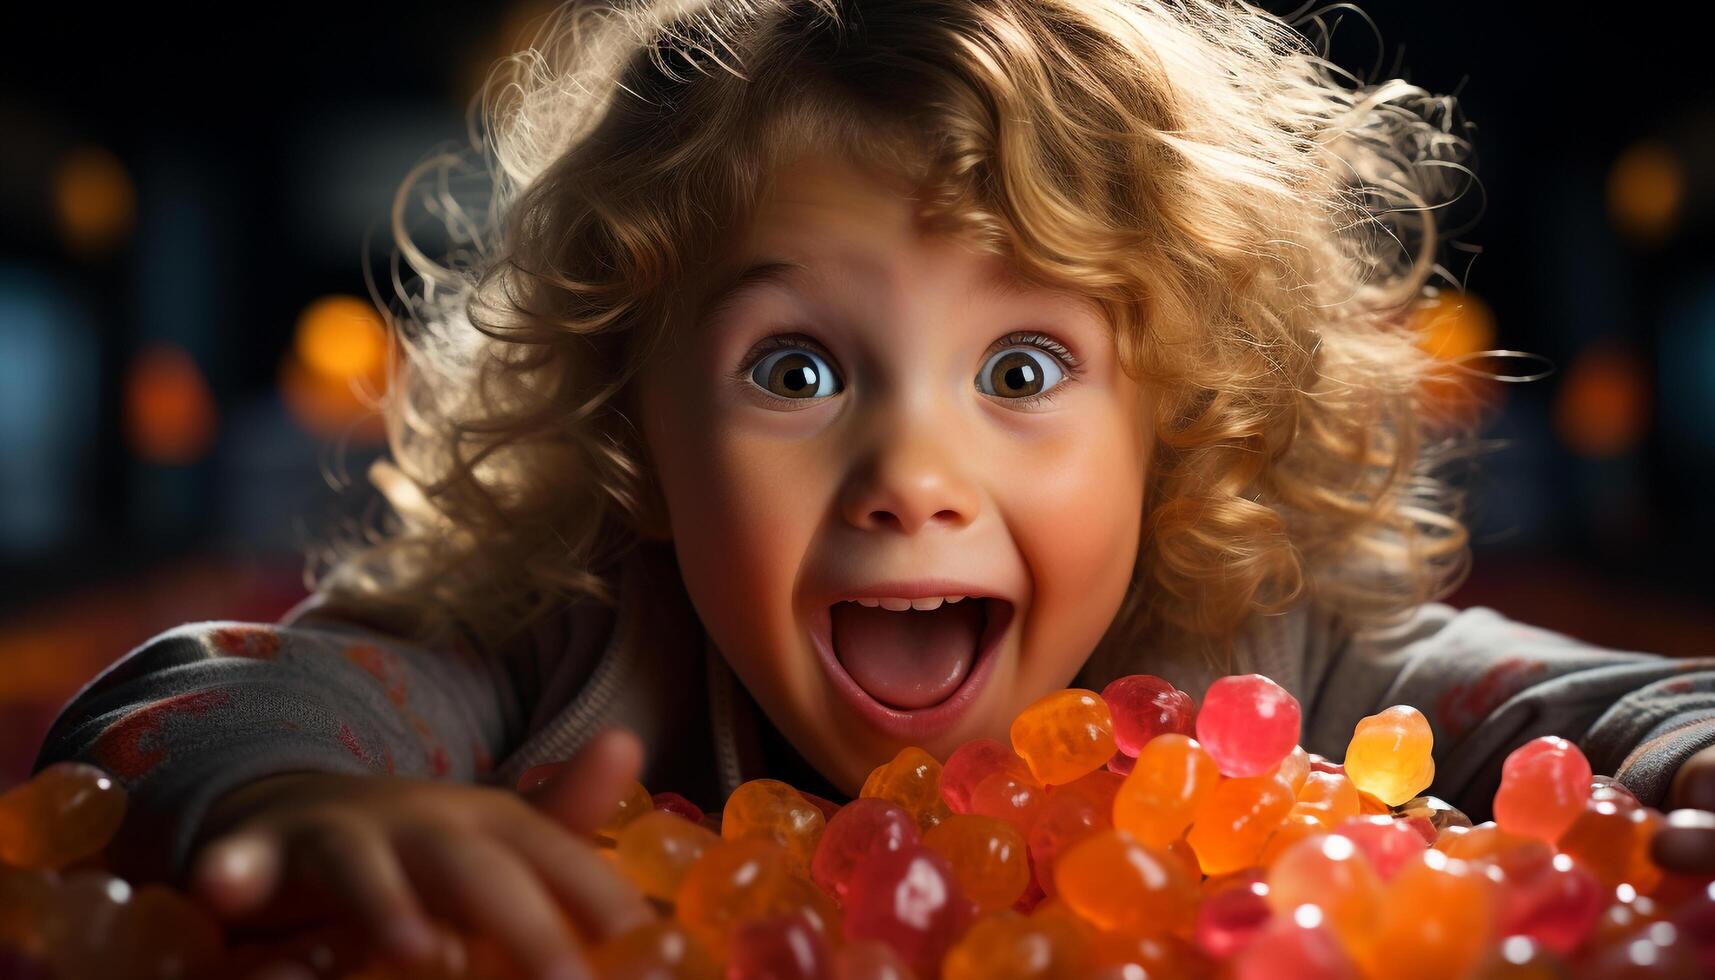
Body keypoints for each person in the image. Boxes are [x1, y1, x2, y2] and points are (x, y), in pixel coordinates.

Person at [32, 0, 1715, 977]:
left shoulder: (1268, 659)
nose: (912, 476)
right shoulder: (562, 648)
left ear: (1172, 422)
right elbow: (204, 698)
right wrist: (292, 805)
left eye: (1024, 374)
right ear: (639, 428)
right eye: (795, 372)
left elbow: (1595, 702)